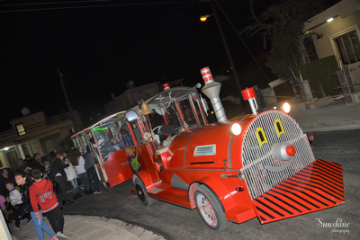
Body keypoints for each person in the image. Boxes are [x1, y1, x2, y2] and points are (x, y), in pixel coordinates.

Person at [14, 171, 57, 240]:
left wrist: (21, 213)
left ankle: (52, 237)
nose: (16, 181)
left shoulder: (25, 187)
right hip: (36, 208)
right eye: (15, 179)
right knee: (40, 224)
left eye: (19, 179)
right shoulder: (29, 185)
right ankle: (53, 237)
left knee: (38, 226)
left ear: (24, 178)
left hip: (35, 209)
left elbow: (26, 202)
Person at [29, 169, 69, 239]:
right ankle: (59, 232)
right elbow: (52, 188)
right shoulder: (48, 181)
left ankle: (58, 233)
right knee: (60, 218)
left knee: (52, 221)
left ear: (32, 178)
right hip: (54, 204)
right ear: (41, 174)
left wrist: (36, 212)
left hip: (45, 208)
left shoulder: (32, 188)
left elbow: (33, 201)